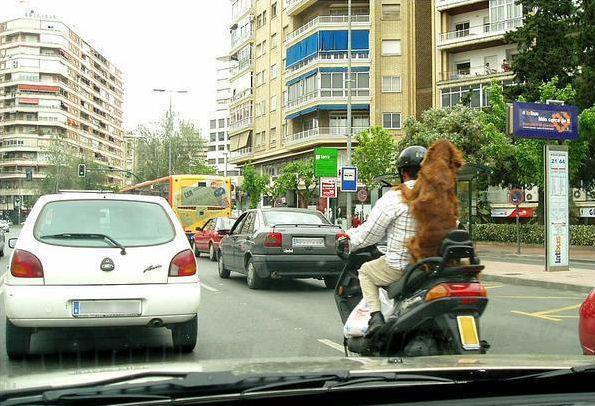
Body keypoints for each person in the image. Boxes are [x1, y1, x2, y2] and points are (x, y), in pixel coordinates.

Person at [343, 145, 427, 335]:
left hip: (401, 266)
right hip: (433, 265)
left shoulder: (395, 197)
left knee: (365, 272)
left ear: (403, 173)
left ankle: (376, 319)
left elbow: (369, 234)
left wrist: (349, 239)